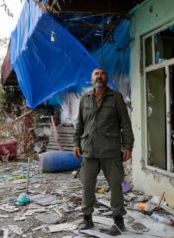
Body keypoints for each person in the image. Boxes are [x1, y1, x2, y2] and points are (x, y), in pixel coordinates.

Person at [73, 68, 134, 236]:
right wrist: (76, 143)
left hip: (111, 150)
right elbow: (80, 123)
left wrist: (128, 146)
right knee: (87, 185)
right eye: (96, 74)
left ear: (106, 78)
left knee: (115, 185)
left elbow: (125, 124)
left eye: (102, 74)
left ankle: (118, 221)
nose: (99, 76)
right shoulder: (85, 99)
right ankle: (87, 218)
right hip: (90, 150)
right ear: (91, 78)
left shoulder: (116, 97)